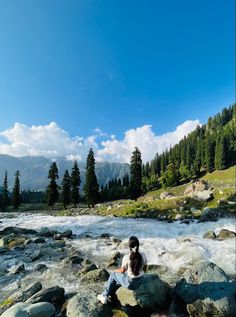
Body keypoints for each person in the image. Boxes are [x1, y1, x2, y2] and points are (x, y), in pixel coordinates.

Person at [97, 236, 148, 304]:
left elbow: (122, 271)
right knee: (125, 275)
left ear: (129, 246)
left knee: (113, 275)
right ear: (138, 245)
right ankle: (111, 291)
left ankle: (104, 296)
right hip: (140, 281)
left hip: (130, 284)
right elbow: (145, 269)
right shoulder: (143, 255)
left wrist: (115, 271)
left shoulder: (127, 257)